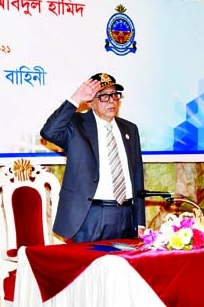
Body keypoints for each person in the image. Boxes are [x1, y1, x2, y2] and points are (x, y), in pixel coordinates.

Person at [40, 73, 145, 242]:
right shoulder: (76, 125)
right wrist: (76, 99)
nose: (111, 101)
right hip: (90, 216)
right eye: (104, 96)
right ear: (91, 102)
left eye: (115, 95)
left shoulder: (130, 129)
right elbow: (49, 132)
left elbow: (137, 175)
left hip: (126, 216)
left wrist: (140, 221)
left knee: (123, 268)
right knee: (88, 267)